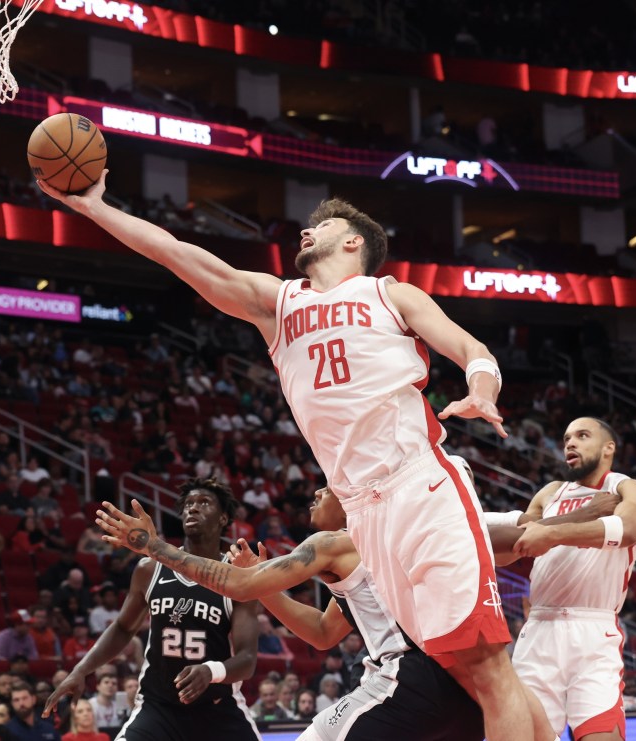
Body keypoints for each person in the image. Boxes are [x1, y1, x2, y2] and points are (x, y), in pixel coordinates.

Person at [39, 177, 541, 740]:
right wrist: (95, 207)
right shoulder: (280, 305)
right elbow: (180, 255)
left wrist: (482, 386)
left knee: (486, 666)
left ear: (354, 243)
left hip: (419, 482)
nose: (307, 228)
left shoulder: (388, 293)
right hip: (364, 513)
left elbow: (472, 348)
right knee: (462, 668)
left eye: (324, 225)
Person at [100, 481, 615, 741]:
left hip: (406, 678)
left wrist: (155, 547)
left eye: (324, 489)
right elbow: (324, 633)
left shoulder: (336, 541)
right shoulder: (401, 539)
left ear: (350, 500)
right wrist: (597, 511)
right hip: (462, 690)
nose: (314, 496)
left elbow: (234, 581)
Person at [42, 478, 260, 741]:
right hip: (159, 708)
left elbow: (247, 659)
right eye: (188, 503)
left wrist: (211, 671)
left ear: (223, 518)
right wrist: (80, 670)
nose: (193, 508)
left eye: (204, 502)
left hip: (218, 710)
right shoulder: (150, 569)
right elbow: (123, 628)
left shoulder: (237, 577)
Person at [508, 417, 636, 741]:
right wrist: (569, 523)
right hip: (539, 628)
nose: (570, 443)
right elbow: (519, 540)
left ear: (609, 448)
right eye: (566, 438)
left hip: (593, 628)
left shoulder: (628, 488)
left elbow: (630, 529)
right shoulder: (549, 494)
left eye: (582, 435)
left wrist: (553, 533)